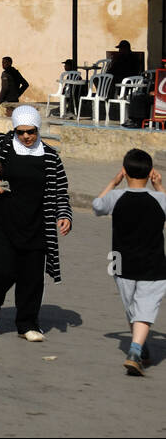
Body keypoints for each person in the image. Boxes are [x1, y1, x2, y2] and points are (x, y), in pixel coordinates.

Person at [0, 105, 72, 341]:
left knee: (31, 278)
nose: (26, 136)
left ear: (38, 129)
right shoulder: (1, 144)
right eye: (21, 132)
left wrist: (63, 215)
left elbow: (61, 191)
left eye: (31, 131)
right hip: (0, 222)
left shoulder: (50, 157)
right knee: (3, 271)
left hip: (36, 225)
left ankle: (27, 324)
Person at [92, 149, 166, 376]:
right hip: (153, 263)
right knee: (145, 307)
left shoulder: (116, 197)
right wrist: (159, 186)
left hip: (119, 261)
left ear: (124, 171)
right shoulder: (159, 199)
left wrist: (114, 182)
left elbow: (97, 206)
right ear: (151, 172)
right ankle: (135, 350)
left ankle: (139, 345)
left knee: (131, 306)